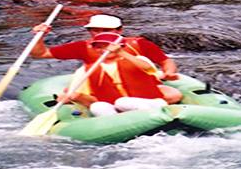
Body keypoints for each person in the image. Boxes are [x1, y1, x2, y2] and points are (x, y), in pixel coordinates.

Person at [30, 13, 182, 102]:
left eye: (107, 30)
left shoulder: (139, 44)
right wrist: (40, 36)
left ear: (120, 30)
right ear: (89, 31)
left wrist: (169, 72)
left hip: (139, 88)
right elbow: (40, 54)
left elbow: (165, 61)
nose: (100, 34)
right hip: (102, 90)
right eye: (95, 30)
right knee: (68, 96)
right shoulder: (82, 47)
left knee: (174, 94)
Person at [70, 33, 177, 117]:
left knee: (123, 102)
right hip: (115, 107)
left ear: (120, 46)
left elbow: (147, 68)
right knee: (97, 106)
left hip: (149, 103)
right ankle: (119, 127)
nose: (104, 50)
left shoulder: (139, 59)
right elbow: (89, 97)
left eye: (108, 46)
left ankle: (151, 117)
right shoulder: (86, 70)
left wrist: (121, 53)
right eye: (98, 47)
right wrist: (74, 96)